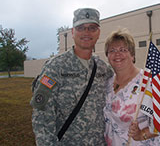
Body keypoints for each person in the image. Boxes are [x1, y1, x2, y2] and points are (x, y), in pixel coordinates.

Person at [30, 8, 113, 145]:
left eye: (92, 28)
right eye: (81, 28)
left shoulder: (104, 69)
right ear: (73, 32)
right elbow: (42, 117)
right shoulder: (55, 67)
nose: (86, 32)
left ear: (98, 33)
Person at [103, 29, 160, 146]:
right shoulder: (107, 83)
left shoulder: (148, 81)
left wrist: (143, 134)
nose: (117, 54)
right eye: (112, 50)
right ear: (107, 56)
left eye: (123, 50)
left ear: (132, 55)